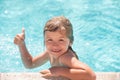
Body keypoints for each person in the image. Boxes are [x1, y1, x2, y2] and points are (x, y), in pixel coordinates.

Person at [14, 16, 96, 80]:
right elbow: (30, 64)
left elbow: (91, 76)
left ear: (70, 41)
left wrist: (59, 71)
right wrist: (21, 45)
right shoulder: (49, 53)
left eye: (61, 40)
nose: (55, 45)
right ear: (44, 40)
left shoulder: (66, 57)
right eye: (50, 40)